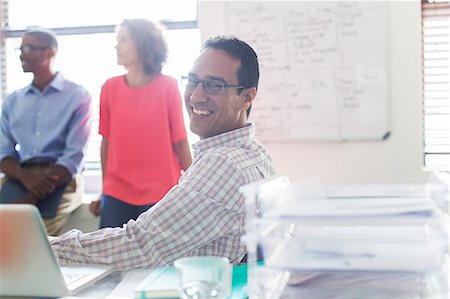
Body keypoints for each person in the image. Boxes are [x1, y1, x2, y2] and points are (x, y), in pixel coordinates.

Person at [50, 35, 275, 270]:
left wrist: (47, 248)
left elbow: (140, 245)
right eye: (193, 80)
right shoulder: (256, 154)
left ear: (247, 97)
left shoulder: (223, 165)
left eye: (214, 85)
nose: (196, 96)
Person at [88, 19, 192, 228]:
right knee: (111, 257)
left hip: (161, 193)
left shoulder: (168, 86)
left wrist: (193, 189)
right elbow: (106, 143)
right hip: (117, 192)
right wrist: (104, 190)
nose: (117, 46)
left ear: (143, 44)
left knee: (159, 260)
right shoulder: (109, 88)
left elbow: (180, 143)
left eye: (124, 40)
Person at [0, 28, 92, 236]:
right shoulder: (12, 101)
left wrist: (32, 196)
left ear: (50, 53)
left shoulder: (78, 96)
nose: (22, 53)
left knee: (32, 237)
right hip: (19, 176)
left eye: (29, 47)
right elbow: (3, 153)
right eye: (21, 48)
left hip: (60, 179)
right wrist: (27, 180)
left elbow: (73, 156)